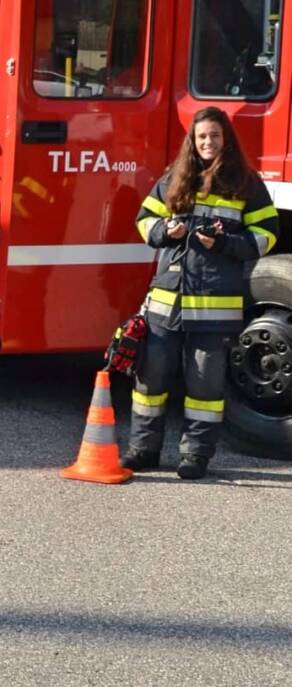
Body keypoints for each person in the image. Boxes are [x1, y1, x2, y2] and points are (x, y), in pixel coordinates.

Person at [126, 107, 278, 480]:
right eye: (202, 137)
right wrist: (165, 231)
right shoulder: (174, 178)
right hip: (167, 303)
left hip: (215, 304)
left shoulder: (246, 183)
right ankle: (143, 450)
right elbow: (144, 221)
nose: (208, 142)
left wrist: (225, 242)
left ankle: (195, 455)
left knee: (205, 387)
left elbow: (267, 235)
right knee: (151, 380)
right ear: (192, 143)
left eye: (214, 136)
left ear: (226, 140)